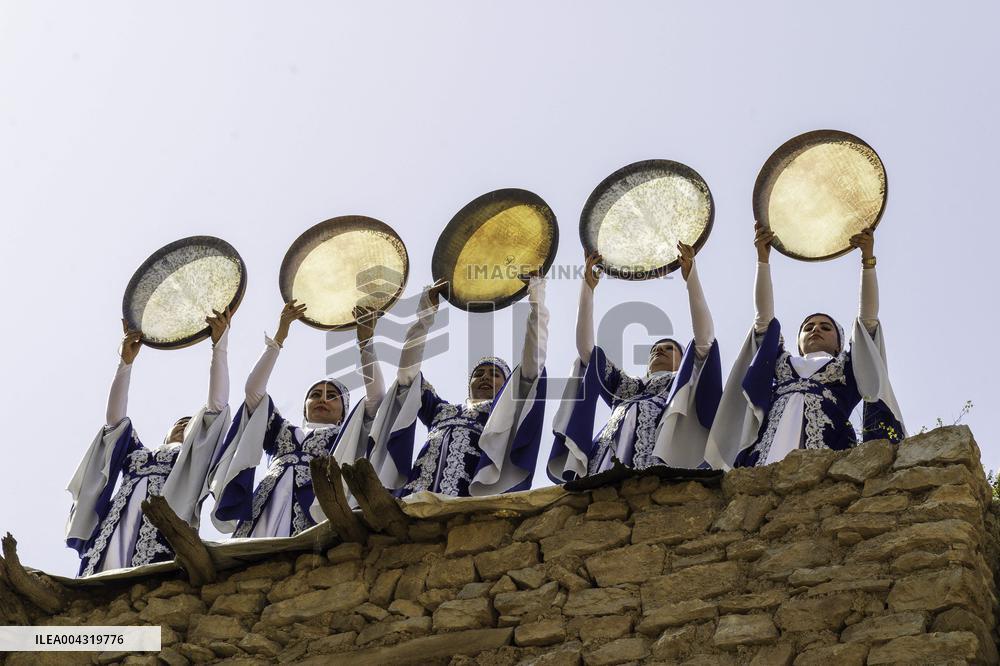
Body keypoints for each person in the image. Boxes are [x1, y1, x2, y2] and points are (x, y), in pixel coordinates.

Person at [703, 223, 905, 469]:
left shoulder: (846, 365)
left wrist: (867, 261)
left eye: (825, 327)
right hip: (770, 439)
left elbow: (868, 320)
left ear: (839, 343)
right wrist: (763, 260)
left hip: (829, 440)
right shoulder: (781, 362)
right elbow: (763, 318)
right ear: (798, 342)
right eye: (808, 327)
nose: (816, 329)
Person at [66, 310, 232, 576]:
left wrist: (219, 345)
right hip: (121, 515)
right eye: (179, 421)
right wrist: (125, 363)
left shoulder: (193, 456)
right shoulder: (138, 451)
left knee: (155, 570)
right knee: (102, 574)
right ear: (166, 431)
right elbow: (114, 420)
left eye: (191, 423)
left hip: (167, 515)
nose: (184, 425)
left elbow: (218, 404)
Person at [548, 244, 722, 481]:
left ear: (683, 361)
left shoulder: (682, 383)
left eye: (669, 348)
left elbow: (704, 339)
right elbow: (587, 351)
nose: (659, 351)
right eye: (654, 349)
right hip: (609, 450)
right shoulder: (627, 386)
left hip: (662, 447)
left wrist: (691, 277)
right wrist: (587, 289)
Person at [210, 302, 384, 537]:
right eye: (315, 395)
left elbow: (377, 398)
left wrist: (365, 343)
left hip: (317, 503)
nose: (323, 399)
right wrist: (280, 336)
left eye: (332, 397)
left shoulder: (346, 434)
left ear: (343, 412)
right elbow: (253, 390)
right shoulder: (281, 430)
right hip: (269, 498)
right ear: (305, 408)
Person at [368, 274, 548, 497]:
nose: (485, 378)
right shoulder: (441, 410)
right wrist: (426, 316)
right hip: (418, 494)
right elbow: (407, 374)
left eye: (495, 375)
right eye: (479, 373)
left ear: (506, 385)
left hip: (468, 497)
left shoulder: (502, 413)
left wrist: (537, 302)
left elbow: (532, 367)